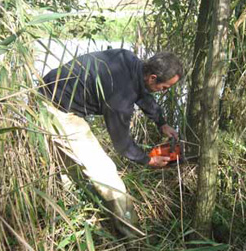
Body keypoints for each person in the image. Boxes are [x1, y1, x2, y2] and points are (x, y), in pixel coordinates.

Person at [39, 48, 182, 238]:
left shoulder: (129, 60)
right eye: (164, 88)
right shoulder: (120, 98)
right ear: (153, 77)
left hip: (48, 93)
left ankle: (70, 215)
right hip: (55, 109)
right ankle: (135, 239)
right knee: (105, 173)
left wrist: (161, 123)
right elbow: (122, 144)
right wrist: (147, 160)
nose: (164, 92)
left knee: (69, 167)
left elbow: (141, 92)